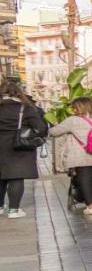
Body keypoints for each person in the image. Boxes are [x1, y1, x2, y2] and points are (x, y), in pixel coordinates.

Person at [0, 81, 48, 218]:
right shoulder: (25, 108)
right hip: (18, 147)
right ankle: (14, 210)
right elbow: (40, 128)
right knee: (15, 177)